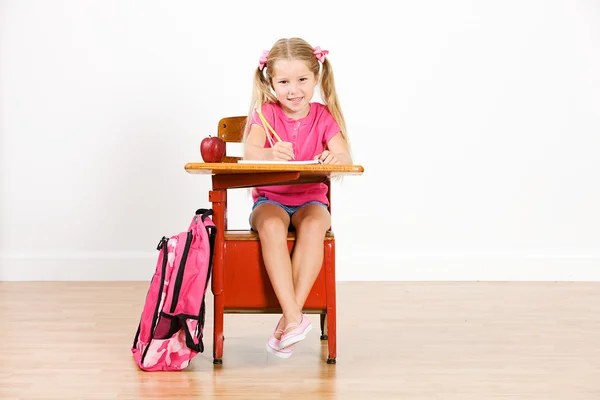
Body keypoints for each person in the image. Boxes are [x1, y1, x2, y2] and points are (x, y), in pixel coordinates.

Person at [243, 37, 352, 358]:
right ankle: (293, 316)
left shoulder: (323, 116)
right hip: (270, 201)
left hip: (310, 201)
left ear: (316, 78)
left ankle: (291, 317)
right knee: (272, 227)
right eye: (284, 81)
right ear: (271, 82)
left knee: (316, 224)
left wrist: (336, 159)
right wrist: (268, 153)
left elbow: (345, 156)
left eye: (302, 80)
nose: (294, 90)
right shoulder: (265, 114)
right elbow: (248, 152)